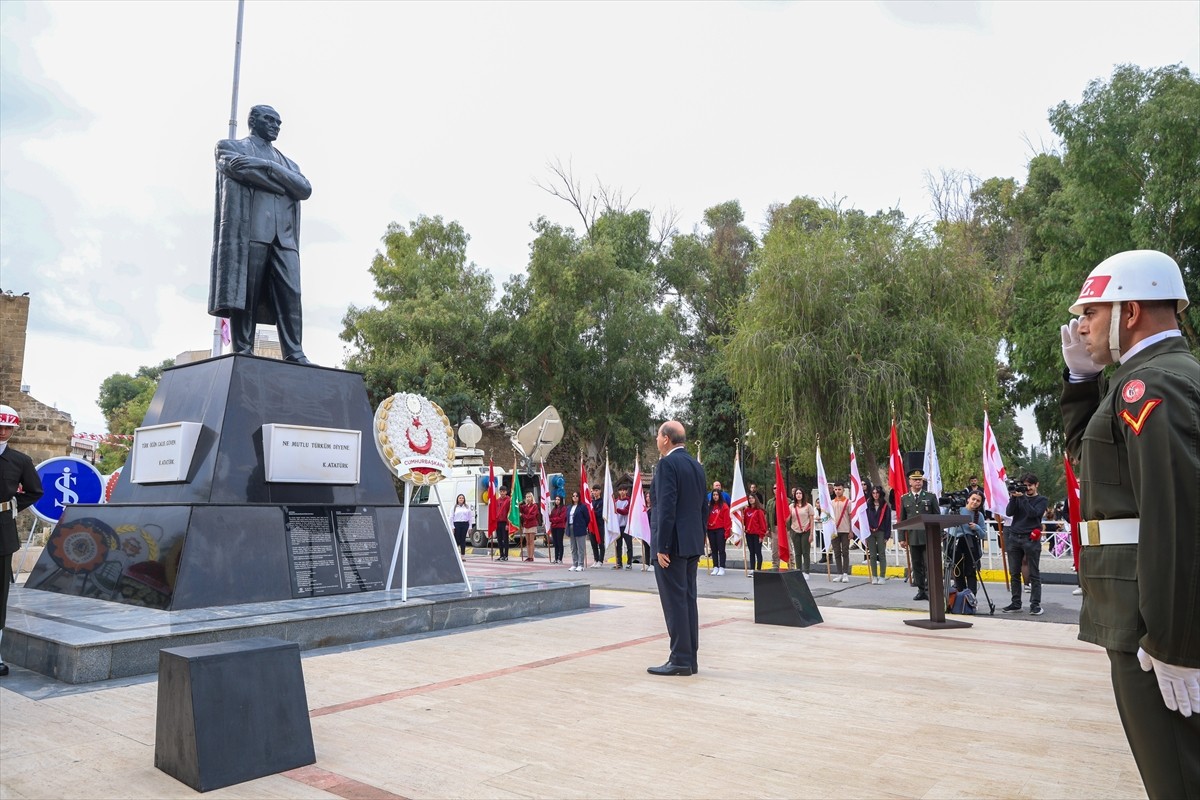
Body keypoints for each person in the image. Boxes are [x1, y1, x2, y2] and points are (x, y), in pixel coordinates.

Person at [1060, 249, 1199, 797]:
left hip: (1155, 626)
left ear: (1132, 311)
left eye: (1091, 312)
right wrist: (1080, 380)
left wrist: (1175, 644)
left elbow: (1177, 517)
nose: (1082, 326)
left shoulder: (1153, 385)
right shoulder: (1140, 380)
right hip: (1144, 615)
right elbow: (1094, 464)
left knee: (1177, 779)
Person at [210, 105, 313, 364]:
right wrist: (283, 185)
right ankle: (243, 348)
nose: (276, 126)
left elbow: (304, 189)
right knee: (246, 293)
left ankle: (295, 352)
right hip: (251, 232)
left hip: (285, 238)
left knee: (292, 295)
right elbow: (237, 169)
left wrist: (266, 166)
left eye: (279, 122)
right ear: (253, 121)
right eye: (270, 120)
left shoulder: (289, 163)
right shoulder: (230, 147)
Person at [648, 420, 706, 676]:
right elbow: (702, 507)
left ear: (666, 438)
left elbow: (666, 506)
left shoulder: (667, 464)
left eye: (658, 436)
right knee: (688, 600)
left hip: (672, 545)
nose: (656, 440)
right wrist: (699, 538)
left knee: (675, 603)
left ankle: (680, 659)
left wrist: (662, 545)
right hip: (691, 542)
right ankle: (690, 658)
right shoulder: (695, 465)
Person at [1, 405, 43, 677]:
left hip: (1, 532)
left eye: (8, 427)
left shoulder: (20, 461)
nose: (3, 432)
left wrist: (11, 505)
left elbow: (35, 491)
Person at [1001, 473, 1048, 615]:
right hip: (1014, 537)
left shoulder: (1042, 500)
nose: (1027, 488)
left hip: (1030, 538)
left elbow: (1033, 514)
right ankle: (1016, 603)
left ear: (1036, 485)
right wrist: (1013, 498)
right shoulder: (1018, 498)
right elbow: (1009, 512)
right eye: (1025, 485)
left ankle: (1035, 605)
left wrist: (1022, 497)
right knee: (1014, 572)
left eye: (1030, 485)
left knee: (1034, 573)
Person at [899, 469, 940, 601]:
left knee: (929, 564)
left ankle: (929, 590)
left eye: (920, 480)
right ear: (910, 482)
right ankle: (921, 590)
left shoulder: (930, 497)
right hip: (913, 537)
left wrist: (938, 535)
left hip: (928, 536)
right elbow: (902, 519)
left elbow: (937, 517)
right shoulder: (905, 498)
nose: (918, 482)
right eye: (915, 480)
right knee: (916, 565)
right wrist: (901, 538)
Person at [948, 491, 985, 595]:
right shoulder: (958, 510)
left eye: (978, 501)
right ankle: (960, 596)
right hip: (956, 542)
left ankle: (971, 597)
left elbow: (983, 534)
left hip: (970, 544)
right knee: (957, 571)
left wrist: (976, 528)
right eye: (973, 499)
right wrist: (948, 504)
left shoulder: (979, 515)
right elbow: (944, 517)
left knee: (971, 571)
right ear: (968, 499)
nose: (975, 502)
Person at [865, 485, 891, 584]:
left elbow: (888, 521)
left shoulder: (885, 505)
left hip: (881, 532)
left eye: (877, 493)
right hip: (870, 532)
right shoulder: (868, 504)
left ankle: (882, 576)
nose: (875, 495)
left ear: (880, 494)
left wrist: (887, 536)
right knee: (872, 555)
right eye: (873, 493)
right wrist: (865, 533)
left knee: (881, 554)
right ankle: (874, 576)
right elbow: (865, 519)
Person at [788, 488, 815, 575]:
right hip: (794, 530)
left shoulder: (808, 506)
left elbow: (811, 520)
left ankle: (806, 572)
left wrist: (811, 534)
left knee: (805, 552)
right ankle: (798, 571)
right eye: (797, 493)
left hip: (805, 531)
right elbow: (787, 518)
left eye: (800, 493)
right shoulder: (791, 506)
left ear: (803, 495)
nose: (798, 495)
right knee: (797, 553)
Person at [829, 482, 851, 582]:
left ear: (843, 490)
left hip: (845, 530)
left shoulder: (848, 502)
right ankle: (839, 573)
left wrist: (851, 530)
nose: (837, 491)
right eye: (836, 489)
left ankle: (845, 573)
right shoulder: (831, 503)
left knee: (845, 552)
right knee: (836, 552)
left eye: (839, 489)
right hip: (834, 531)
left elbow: (850, 517)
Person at [705, 489, 730, 576]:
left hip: (720, 530)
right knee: (713, 549)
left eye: (717, 495)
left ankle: (722, 567)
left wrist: (727, 532)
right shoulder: (709, 506)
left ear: (719, 496)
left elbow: (727, 520)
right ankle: (715, 566)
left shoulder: (724, 506)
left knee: (721, 549)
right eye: (714, 495)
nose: (715, 496)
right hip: (711, 530)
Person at [567, 491, 591, 572]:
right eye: (573, 496)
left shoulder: (582, 507)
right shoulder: (569, 507)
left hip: (580, 528)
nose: (575, 497)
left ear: (579, 497)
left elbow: (587, 518)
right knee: (573, 547)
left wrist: (583, 525)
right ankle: (575, 563)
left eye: (576, 496)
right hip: (571, 527)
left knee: (580, 547)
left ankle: (581, 564)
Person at [744, 494, 767, 571]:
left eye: (752, 498)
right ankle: (752, 569)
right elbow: (744, 522)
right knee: (751, 552)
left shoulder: (759, 511)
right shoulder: (746, 510)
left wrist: (761, 535)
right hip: (748, 534)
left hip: (757, 534)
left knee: (758, 552)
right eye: (749, 498)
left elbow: (762, 524)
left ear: (755, 499)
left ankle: (758, 569)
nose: (751, 499)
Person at [613, 485, 634, 570]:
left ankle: (629, 563)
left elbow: (626, 511)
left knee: (629, 545)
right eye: (620, 490)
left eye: (624, 490)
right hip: (618, 527)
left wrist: (616, 509)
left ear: (626, 491)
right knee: (618, 545)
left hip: (626, 526)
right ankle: (619, 563)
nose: (622, 492)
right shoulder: (616, 501)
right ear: (618, 492)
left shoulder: (629, 501)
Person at [490, 485, 511, 561]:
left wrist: (508, 524)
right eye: (501, 491)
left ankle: (506, 555)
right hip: (498, 522)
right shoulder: (497, 501)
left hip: (505, 522)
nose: (502, 493)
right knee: (499, 539)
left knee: (505, 540)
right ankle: (501, 555)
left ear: (506, 492)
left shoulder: (509, 500)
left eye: (503, 491)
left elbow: (510, 513)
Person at [519, 492, 540, 562]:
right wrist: (518, 504)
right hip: (526, 525)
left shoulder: (534, 506)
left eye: (529, 497)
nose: (528, 498)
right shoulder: (525, 506)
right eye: (527, 497)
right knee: (527, 542)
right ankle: (528, 556)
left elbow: (532, 516)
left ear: (532, 498)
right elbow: (520, 509)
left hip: (532, 525)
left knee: (531, 541)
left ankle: (531, 556)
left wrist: (523, 515)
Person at [589, 484, 606, 568]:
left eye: (596, 491)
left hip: (599, 525)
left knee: (600, 542)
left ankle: (600, 560)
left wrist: (592, 513)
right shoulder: (591, 502)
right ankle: (596, 559)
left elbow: (599, 513)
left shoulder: (602, 502)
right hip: (592, 525)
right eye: (593, 491)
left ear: (600, 491)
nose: (595, 492)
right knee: (593, 543)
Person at [548, 495, 567, 564]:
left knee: (559, 542)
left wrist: (553, 520)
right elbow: (550, 517)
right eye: (556, 499)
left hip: (560, 527)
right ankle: (556, 558)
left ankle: (560, 558)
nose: (557, 501)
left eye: (558, 499)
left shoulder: (563, 508)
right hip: (554, 527)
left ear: (561, 500)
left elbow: (561, 518)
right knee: (555, 543)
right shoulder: (554, 509)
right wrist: (550, 518)